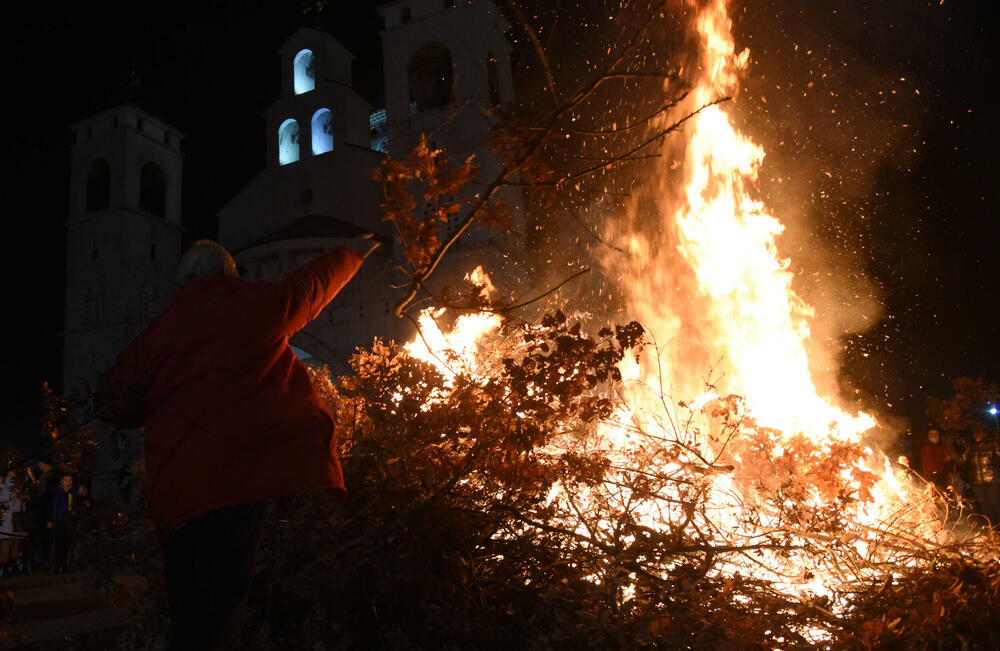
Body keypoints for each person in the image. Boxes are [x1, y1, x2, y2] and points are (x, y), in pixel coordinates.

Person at [94, 236, 379, 651]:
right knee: (220, 624)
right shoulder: (252, 304)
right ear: (229, 273)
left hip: (177, 502)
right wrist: (354, 251)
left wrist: (149, 405)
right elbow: (311, 285)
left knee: (189, 621)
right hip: (235, 490)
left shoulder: (160, 331)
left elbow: (110, 400)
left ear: (184, 281)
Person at [963, 427, 1000, 525]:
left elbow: (997, 461)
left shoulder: (992, 445)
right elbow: (964, 462)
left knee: (995, 504)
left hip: (991, 479)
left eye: (979, 433)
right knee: (985, 507)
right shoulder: (971, 448)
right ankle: (993, 529)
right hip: (977, 481)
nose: (977, 436)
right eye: (975, 434)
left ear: (984, 434)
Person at [47, 472, 74, 572]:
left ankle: (65, 564)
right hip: (59, 521)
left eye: (70, 480)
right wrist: (50, 520)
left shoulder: (71, 494)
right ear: (61, 482)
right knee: (58, 543)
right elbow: (52, 507)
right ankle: (55, 564)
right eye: (66, 480)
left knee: (67, 543)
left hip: (69, 522)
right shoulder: (56, 493)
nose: (68, 483)